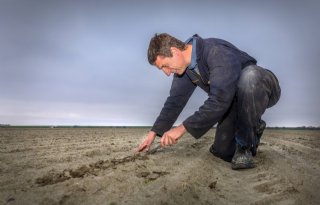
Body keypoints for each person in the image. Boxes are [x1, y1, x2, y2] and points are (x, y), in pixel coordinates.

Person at [137, 33, 281, 170]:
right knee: (222, 151)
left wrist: (181, 129)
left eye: (165, 66)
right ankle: (253, 127)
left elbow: (219, 99)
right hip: (233, 102)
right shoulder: (184, 69)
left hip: (260, 87)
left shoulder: (215, 51)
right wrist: (153, 134)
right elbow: (174, 101)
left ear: (174, 51)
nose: (167, 73)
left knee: (250, 76)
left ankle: (245, 145)